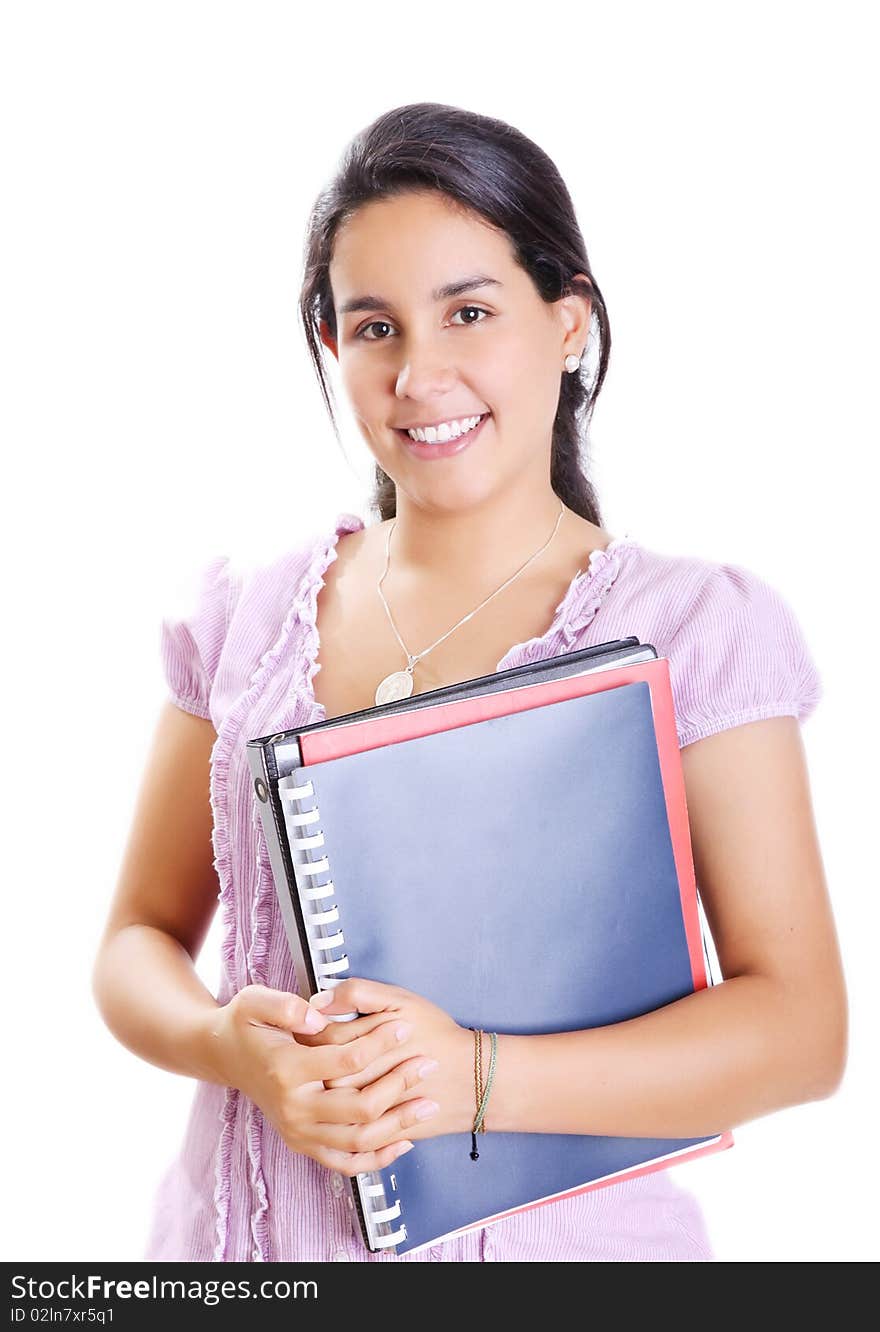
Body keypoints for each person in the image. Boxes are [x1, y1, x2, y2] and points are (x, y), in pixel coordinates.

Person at [91, 102, 848, 1263]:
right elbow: (136, 938)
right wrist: (229, 1046)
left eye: (470, 312)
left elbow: (800, 1031)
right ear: (331, 350)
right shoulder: (245, 613)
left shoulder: (692, 630)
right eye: (374, 327)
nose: (419, 373)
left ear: (569, 324)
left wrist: (477, 1080)